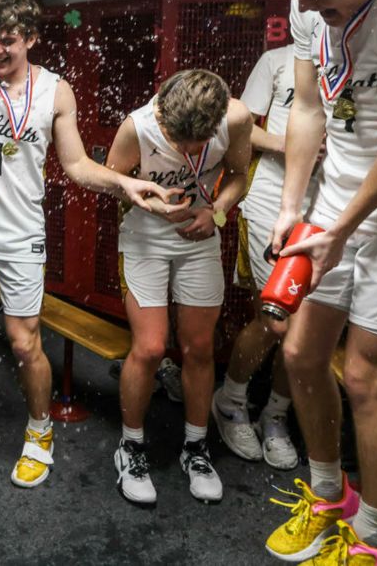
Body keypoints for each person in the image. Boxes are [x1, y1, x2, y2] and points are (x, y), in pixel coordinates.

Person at [0, 0, 178, 488]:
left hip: (20, 234)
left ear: (31, 38)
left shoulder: (56, 91)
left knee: (23, 341)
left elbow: (77, 165)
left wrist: (125, 183)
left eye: (7, 40)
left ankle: (39, 431)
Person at [255, 0, 377, 563]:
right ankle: (329, 494)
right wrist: (290, 207)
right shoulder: (312, 9)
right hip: (333, 207)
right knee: (302, 354)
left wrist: (344, 226)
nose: (310, 4)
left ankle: (373, 536)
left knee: (366, 376)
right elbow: (307, 106)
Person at [107, 70, 253, 506]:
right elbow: (114, 183)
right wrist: (151, 202)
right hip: (146, 238)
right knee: (150, 348)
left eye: (196, 143)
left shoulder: (238, 119)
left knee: (199, 349)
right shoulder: (139, 125)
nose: (186, 152)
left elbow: (240, 174)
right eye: (177, 140)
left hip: (200, 237)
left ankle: (196, 447)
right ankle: (130, 447)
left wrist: (219, 211)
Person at [213, 44, 314, 471]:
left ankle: (274, 417)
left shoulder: (359, 59)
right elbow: (243, 130)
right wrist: (296, 145)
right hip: (271, 203)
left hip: (328, 212)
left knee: (306, 331)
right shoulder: (277, 61)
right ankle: (231, 402)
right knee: (275, 321)